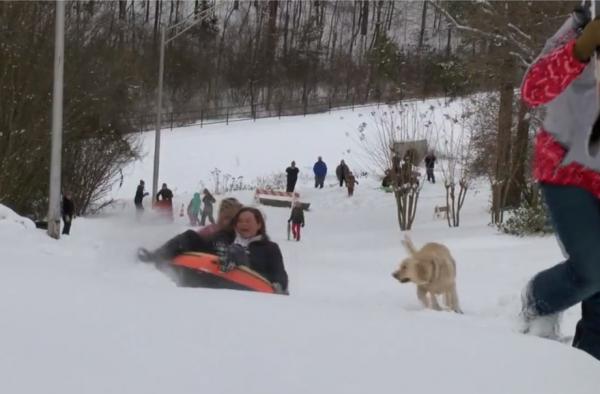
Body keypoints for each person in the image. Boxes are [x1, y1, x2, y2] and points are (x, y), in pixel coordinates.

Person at [519, 7, 600, 361]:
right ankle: (538, 299)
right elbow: (532, 89)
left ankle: (585, 365)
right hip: (567, 172)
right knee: (593, 271)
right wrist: (581, 48)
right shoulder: (578, 29)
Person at [137, 207, 288, 293]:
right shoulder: (225, 237)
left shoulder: (269, 248)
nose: (243, 224)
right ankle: (155, 256)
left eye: (248, 221)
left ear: (259, 225)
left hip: (245, 288)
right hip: (209, 278)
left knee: (237, 251)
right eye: (240, 221)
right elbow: (207, 246)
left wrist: (278, 285)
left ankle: (231, 259)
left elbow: (280, 274)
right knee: (191, 236)